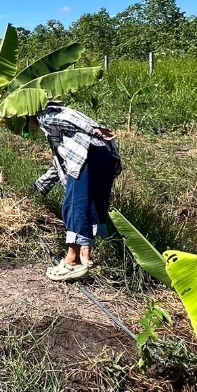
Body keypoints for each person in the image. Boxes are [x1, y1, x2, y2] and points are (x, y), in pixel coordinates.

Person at [29, 103, 121, 281]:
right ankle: (86, 257)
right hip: (105, 154)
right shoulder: (60, 122)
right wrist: (39, 186)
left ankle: (71, 262)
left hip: (89, 153)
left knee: (74, 205)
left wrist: (94, 129)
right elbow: (61, 165)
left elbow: (66, 119)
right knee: (91, 204)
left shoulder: (45, 115)